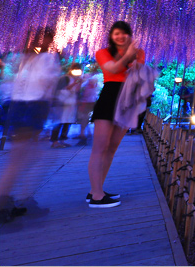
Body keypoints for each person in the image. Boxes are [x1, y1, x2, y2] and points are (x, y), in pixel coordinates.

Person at [0, 27, 60, 222]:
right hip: (33, 107)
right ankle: (5, 203)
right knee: (23, 159)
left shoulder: (22, 58)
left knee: (24, 157)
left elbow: (12, 86)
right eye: (49, 38)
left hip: (20, 107)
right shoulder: (45, 59)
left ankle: (14, 200)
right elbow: (45, 84)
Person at [88, 21, 145, 208]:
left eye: (124, 33)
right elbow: (112, 69)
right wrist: (128, 57)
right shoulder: (102, 52)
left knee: (112, 147)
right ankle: (97, 195)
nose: (120, 37)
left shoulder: (140, 53)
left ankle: (97, 190)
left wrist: (133, 60)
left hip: (128, 98)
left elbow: (137, 73)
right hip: (110, 96)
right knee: (100, 147)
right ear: (111, 36)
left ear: (130, 35)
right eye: (116, 34)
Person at [50, 66, 79, 148]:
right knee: (59, 122)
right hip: (62, 104)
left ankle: (62, 140)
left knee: (67, 122)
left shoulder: (74, 79)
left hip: (70, 104)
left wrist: (78, 83)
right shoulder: (64, 78)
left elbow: (76, 91)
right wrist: (74, 83)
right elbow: (62, 90)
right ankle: (54, 141)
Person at [76, 72, 100, 145]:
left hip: (86, 103)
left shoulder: (86, 85)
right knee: (85, 119)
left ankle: (83, 134)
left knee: (84, 119)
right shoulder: (92, 85)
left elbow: (83, 94)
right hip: (88, 103)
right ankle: (86, 134)